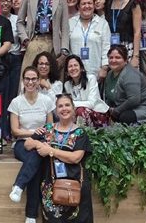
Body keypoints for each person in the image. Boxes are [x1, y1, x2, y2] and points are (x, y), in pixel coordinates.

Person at [23, 94, 93, 223]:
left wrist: (50, 151)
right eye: (60, 106)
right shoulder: (48, 129)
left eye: (67, 105)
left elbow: (75, 158)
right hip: (51, 187)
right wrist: (37, 143)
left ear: (73, 108)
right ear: (56, 110)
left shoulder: (80, 133)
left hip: (75, 186)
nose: (64, 109)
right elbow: (27, 144)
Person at [7, 66, 54, 223]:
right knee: (35, 158)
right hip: (22, 143)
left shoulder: (46, 101)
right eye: (27, 79)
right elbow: (15, 131)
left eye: (34, 79)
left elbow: (50, 128)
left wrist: (39, 138)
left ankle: (19, 187)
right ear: (23, 80)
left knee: (36, 158)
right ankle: (31, 215)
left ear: (38, 81)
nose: (30, 82)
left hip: (42, 143)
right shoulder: (16, 102)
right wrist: (33, 133)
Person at [17, 0, 70, 76]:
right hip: (34, 41)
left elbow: (65, 27)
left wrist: (64, 52)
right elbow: (20, 22)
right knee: (30, 78)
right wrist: (26, 41)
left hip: (54, 44)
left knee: (52, 81)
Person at [104, 45, 146, 124]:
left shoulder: (130, 74)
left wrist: (116, 111)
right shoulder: (110, 74)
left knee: (125, 117)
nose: (113, 60)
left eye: (118, 57)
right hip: (131, 108)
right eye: (111, 57)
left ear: (126, 60)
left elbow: (134, 99)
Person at [68, 0, 111, 78]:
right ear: (78, 7)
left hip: (96, 72)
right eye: (83, 4)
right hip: (75, 72)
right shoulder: (70, 23)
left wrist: (104, 68)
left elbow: (106, 47)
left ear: (94, 5)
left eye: (89, 3)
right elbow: (67, 46)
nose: (87, 6)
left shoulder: (102, 23)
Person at [0, 0, 24, 140]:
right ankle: (2, 130)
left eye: (8, 0)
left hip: (15, 59)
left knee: (13, 95)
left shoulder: (17, 19)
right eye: (3, 0)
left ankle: (12, 129)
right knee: (2, 96)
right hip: (0, 61)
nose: (6, 3)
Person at [106, 0, 142, 67]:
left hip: (128, 48)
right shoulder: (108, 4)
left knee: (128, 76)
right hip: (111, 48)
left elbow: (137, 32)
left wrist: (136, 56)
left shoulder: (134, 3)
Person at [62, 55, 109, 127]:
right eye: (70, 66)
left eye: (75, 65)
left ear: (81, 68)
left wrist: (71, 103)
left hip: (98, 114)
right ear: (67, 72)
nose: (73, 68)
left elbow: (91, 104)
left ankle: (84, 133)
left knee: (80, 110)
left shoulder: (91, 79)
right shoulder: (67, 84)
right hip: (79, 115)